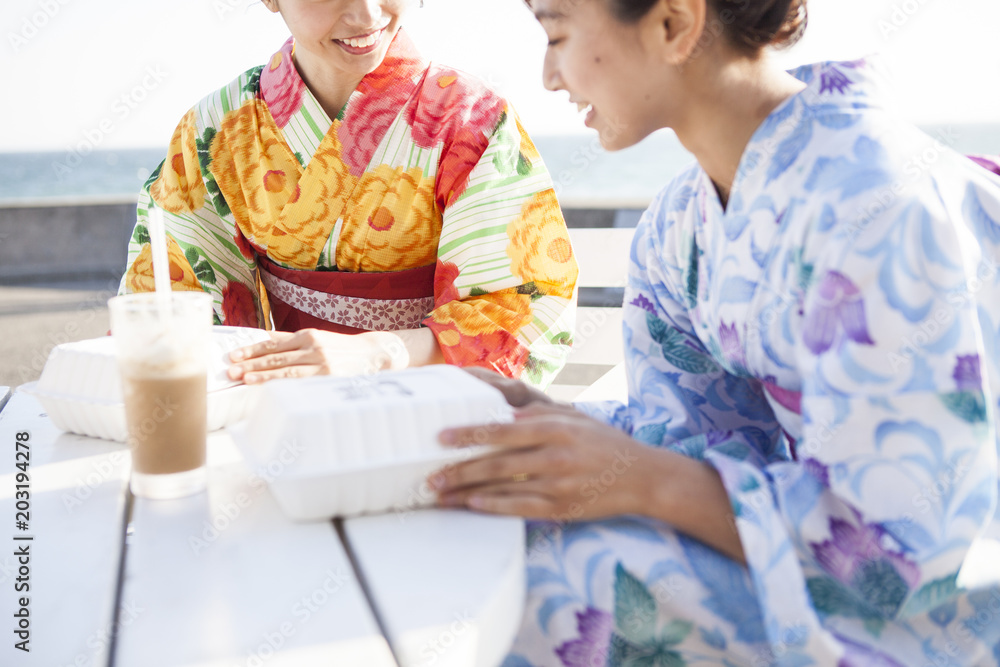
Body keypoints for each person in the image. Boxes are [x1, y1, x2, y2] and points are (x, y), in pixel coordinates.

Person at [427, 0, 1000, 664]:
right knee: (511, 524)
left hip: (943, 611)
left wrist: (648, 480)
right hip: (809, 562)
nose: (550, 76)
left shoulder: (882, 201)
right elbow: (692, 442)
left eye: (557, 35)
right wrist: (551, 421)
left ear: (673, 23)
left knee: (565, 587)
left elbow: (913, 543)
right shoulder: (678, 226)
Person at [119, 0, 578, 386]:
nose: (366, 14)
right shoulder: (218, 129)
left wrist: (381, 352)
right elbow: (173, 302)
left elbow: (524, 304)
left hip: (437, 402)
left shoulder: (471, 119)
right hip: (286, 406)